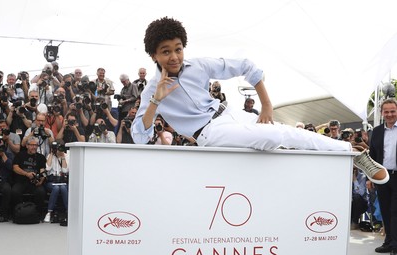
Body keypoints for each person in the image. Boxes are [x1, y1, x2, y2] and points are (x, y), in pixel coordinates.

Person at [131, 17, 388, 185]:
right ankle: (343, 156)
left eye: (178, 48)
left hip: (232, 113)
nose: (174, 56)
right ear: (154, 55)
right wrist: (156, 101)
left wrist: (266, 105)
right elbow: (139, 136)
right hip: (208, 133)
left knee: (285, 132)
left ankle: (355, 154)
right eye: (166, 52)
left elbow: (246, 66)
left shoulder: (198, 65)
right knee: (273, 139)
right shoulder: (152, 89)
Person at [369, 99, 397, 255]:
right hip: (382, 177)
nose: (390, 114)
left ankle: (395, 245)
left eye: (392, 111)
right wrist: (370, 177)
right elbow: (373, 155)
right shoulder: (377, 131)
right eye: (386, 112)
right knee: (385, 209)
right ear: (382, 113)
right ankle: (388, 241)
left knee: (395, 211)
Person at [12, 137, 47, 219]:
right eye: (32, 145)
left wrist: (41, 181)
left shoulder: (41, 157)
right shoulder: (20, 155)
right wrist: (26, 174)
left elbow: (43, 171)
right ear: (27, 146)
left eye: (36, 145)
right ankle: (19, 213)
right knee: (14, 192)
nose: (34, 147)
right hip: (21, 181)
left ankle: (37, 214)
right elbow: (15, 168)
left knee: (41, 192)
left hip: (35, 182)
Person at [43, 141, 68, 224]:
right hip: (52, 181)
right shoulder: (50, 156)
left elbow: (65, 170)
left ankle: (68, 212)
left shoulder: (66, 156)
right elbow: (47, 168)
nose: (58, 150)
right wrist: (51, 154)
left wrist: (63, 157)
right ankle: (49, 212)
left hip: (62, 181)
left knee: (63, 188)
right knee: (56, 188)